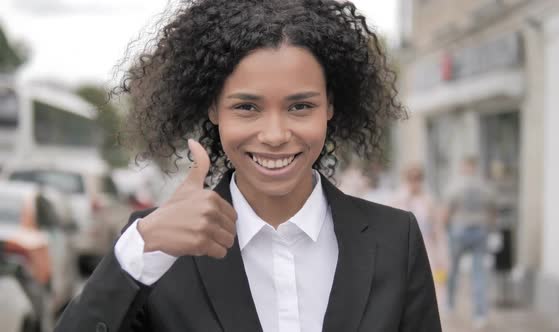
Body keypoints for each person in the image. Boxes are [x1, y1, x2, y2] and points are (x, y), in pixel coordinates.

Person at [55, 1, 441, 331]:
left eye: (300, 106)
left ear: (330, 106)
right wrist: (142, 249)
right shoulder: (160, 244)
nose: (274, 134)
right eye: (247, 107)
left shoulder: (396, 239)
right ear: (213, 108)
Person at [441, 157, 496, 329]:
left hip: (459, 229)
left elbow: (446, 211)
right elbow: (492, 211)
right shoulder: (485, 187)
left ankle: (449, 304)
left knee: (453, 270)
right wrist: (491, 229)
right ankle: (479, 314)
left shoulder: (455, 186)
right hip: (480, 230)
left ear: (464, 167)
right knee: (479, 274)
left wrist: (444, 230)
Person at [391, 164, 447, 303]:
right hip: (403, 246)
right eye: (411, 179)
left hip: (426, 245)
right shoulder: (398, 198)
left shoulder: (428, 200)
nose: (414, 182)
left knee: (428, 280)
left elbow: (436, 227)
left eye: (417, 179)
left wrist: (441, 252)